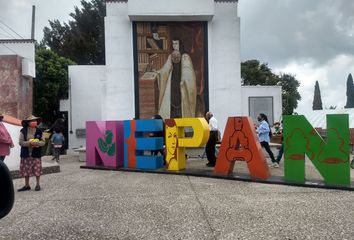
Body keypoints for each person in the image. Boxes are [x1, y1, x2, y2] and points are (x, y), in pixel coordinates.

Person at [156, 39, 197, 119]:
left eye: (176, 43)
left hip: (182, 84)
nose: (174, 45)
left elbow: (187, 70)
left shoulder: (185, 56)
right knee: (172, 102)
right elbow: (165, 69)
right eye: (173, 44)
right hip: (172, 84)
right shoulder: (171, 56)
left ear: (180, 44)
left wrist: (183, 80)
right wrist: (159, 73)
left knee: (181, 102)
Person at [18, 115, 45, 192]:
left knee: (37, 169)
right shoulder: (23, 131)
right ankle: (27, 185)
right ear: (28, 123)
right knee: (26, 169)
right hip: (26, 153)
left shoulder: (40, 131)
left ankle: (38, 184)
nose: (34, 122)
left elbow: (43, 142)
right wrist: (30, 143)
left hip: (36, 153)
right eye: (32, 121)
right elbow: (21, 142)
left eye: (35, 121)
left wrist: (37, 143)